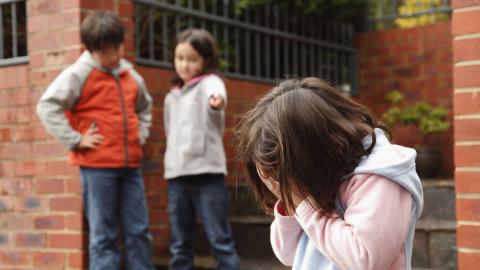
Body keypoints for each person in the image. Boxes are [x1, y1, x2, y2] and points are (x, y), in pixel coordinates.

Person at [235, 78, 423, 270]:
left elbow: (364, 259)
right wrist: (289, 199)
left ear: (311, 151)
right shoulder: (316, 180)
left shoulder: (380, 175)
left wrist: (302, 202)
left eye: (285, 171)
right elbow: (288, 254)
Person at [36, 11, 155, 270]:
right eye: (105, 52)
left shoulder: (131, 76)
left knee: (139, 231)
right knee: (104, 235)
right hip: (97, 169)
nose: (113, 57)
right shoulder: (78, 74)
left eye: (117, 49)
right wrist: (75, 139)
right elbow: (47, 106)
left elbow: (145, 107)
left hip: (131, 167)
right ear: (90, 49)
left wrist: (141, 133)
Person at [163, 28, 238, 270]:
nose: (184, 64)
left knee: (220, 239)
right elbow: (169, 132)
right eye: (180, 58)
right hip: (177, 175)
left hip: (207, 173)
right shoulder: (171, 97)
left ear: (205, 61)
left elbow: (216, 95)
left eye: (192, 59)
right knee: (180, 242)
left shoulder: (210, 82)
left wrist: (217, 102)